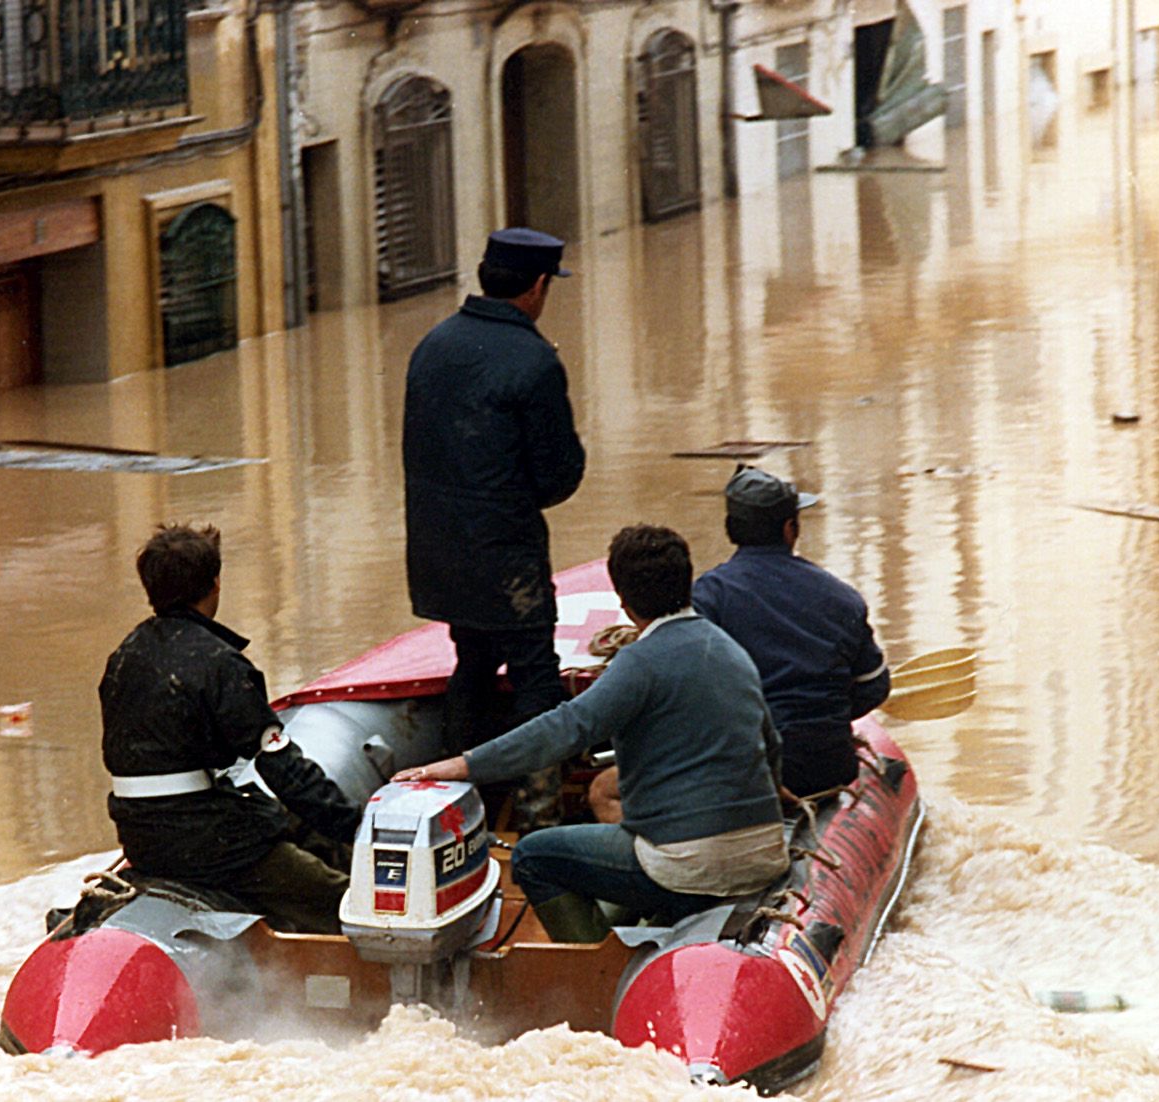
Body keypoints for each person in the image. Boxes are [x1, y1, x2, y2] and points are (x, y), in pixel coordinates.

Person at [393, 525, 788, 943]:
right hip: (763, 851)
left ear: (622, 598)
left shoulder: (638, 663)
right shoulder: (732, 650)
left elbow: (564, 729)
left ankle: (597, 967)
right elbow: (772, 747)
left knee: (533, 856)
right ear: (687, 581)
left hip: (686, 863)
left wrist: (464, 765)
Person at [402, 227, 586, 822]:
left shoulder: (431, 345)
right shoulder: (534, 361)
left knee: (473, 661)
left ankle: (458, 801)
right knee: (535, 673)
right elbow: (559, 476)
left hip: (438, 549)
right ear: (536, 287)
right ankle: (539, 815)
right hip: (506, 554)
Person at [99, 523, 361, 934]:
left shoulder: (124, 657)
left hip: (141, 836)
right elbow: (284, 769)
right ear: (215, 584)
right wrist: (359, 828)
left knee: (291, 823)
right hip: (207, 843)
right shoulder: (221, 665)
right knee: (336, 896)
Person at [690, 466, 891, 798]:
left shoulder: (708, 598)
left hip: (754, 772)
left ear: (730, 529)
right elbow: (874, 687)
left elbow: (695, 694)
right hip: (830, 767)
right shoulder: (842, 598)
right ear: (790, 528)